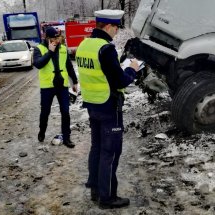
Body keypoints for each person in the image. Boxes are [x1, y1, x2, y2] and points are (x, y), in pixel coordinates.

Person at [76, 9, 139, 209]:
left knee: (96, 148)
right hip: (109, 107)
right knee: (110, 152)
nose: (117, 32)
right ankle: (107, 197)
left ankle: (95, 189)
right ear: (109, 26)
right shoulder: (106, 49)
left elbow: (100, 73)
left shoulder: (84, 45)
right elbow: (120, 80)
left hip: (92, 106)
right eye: (117, 28)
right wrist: (132, 70)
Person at [34, 26, 78, 148]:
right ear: (46, 38)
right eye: (53, 38)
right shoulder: (39, 49)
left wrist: (74, 81)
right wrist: (50, 52)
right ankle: (42, 131)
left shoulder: (63, 48)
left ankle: (67, 137)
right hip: (47, 87)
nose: (56, 40)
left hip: (62, 86)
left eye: (57, 37)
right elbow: (38, 64)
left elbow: (69, 66)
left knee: (65, 111)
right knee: (45, 112)